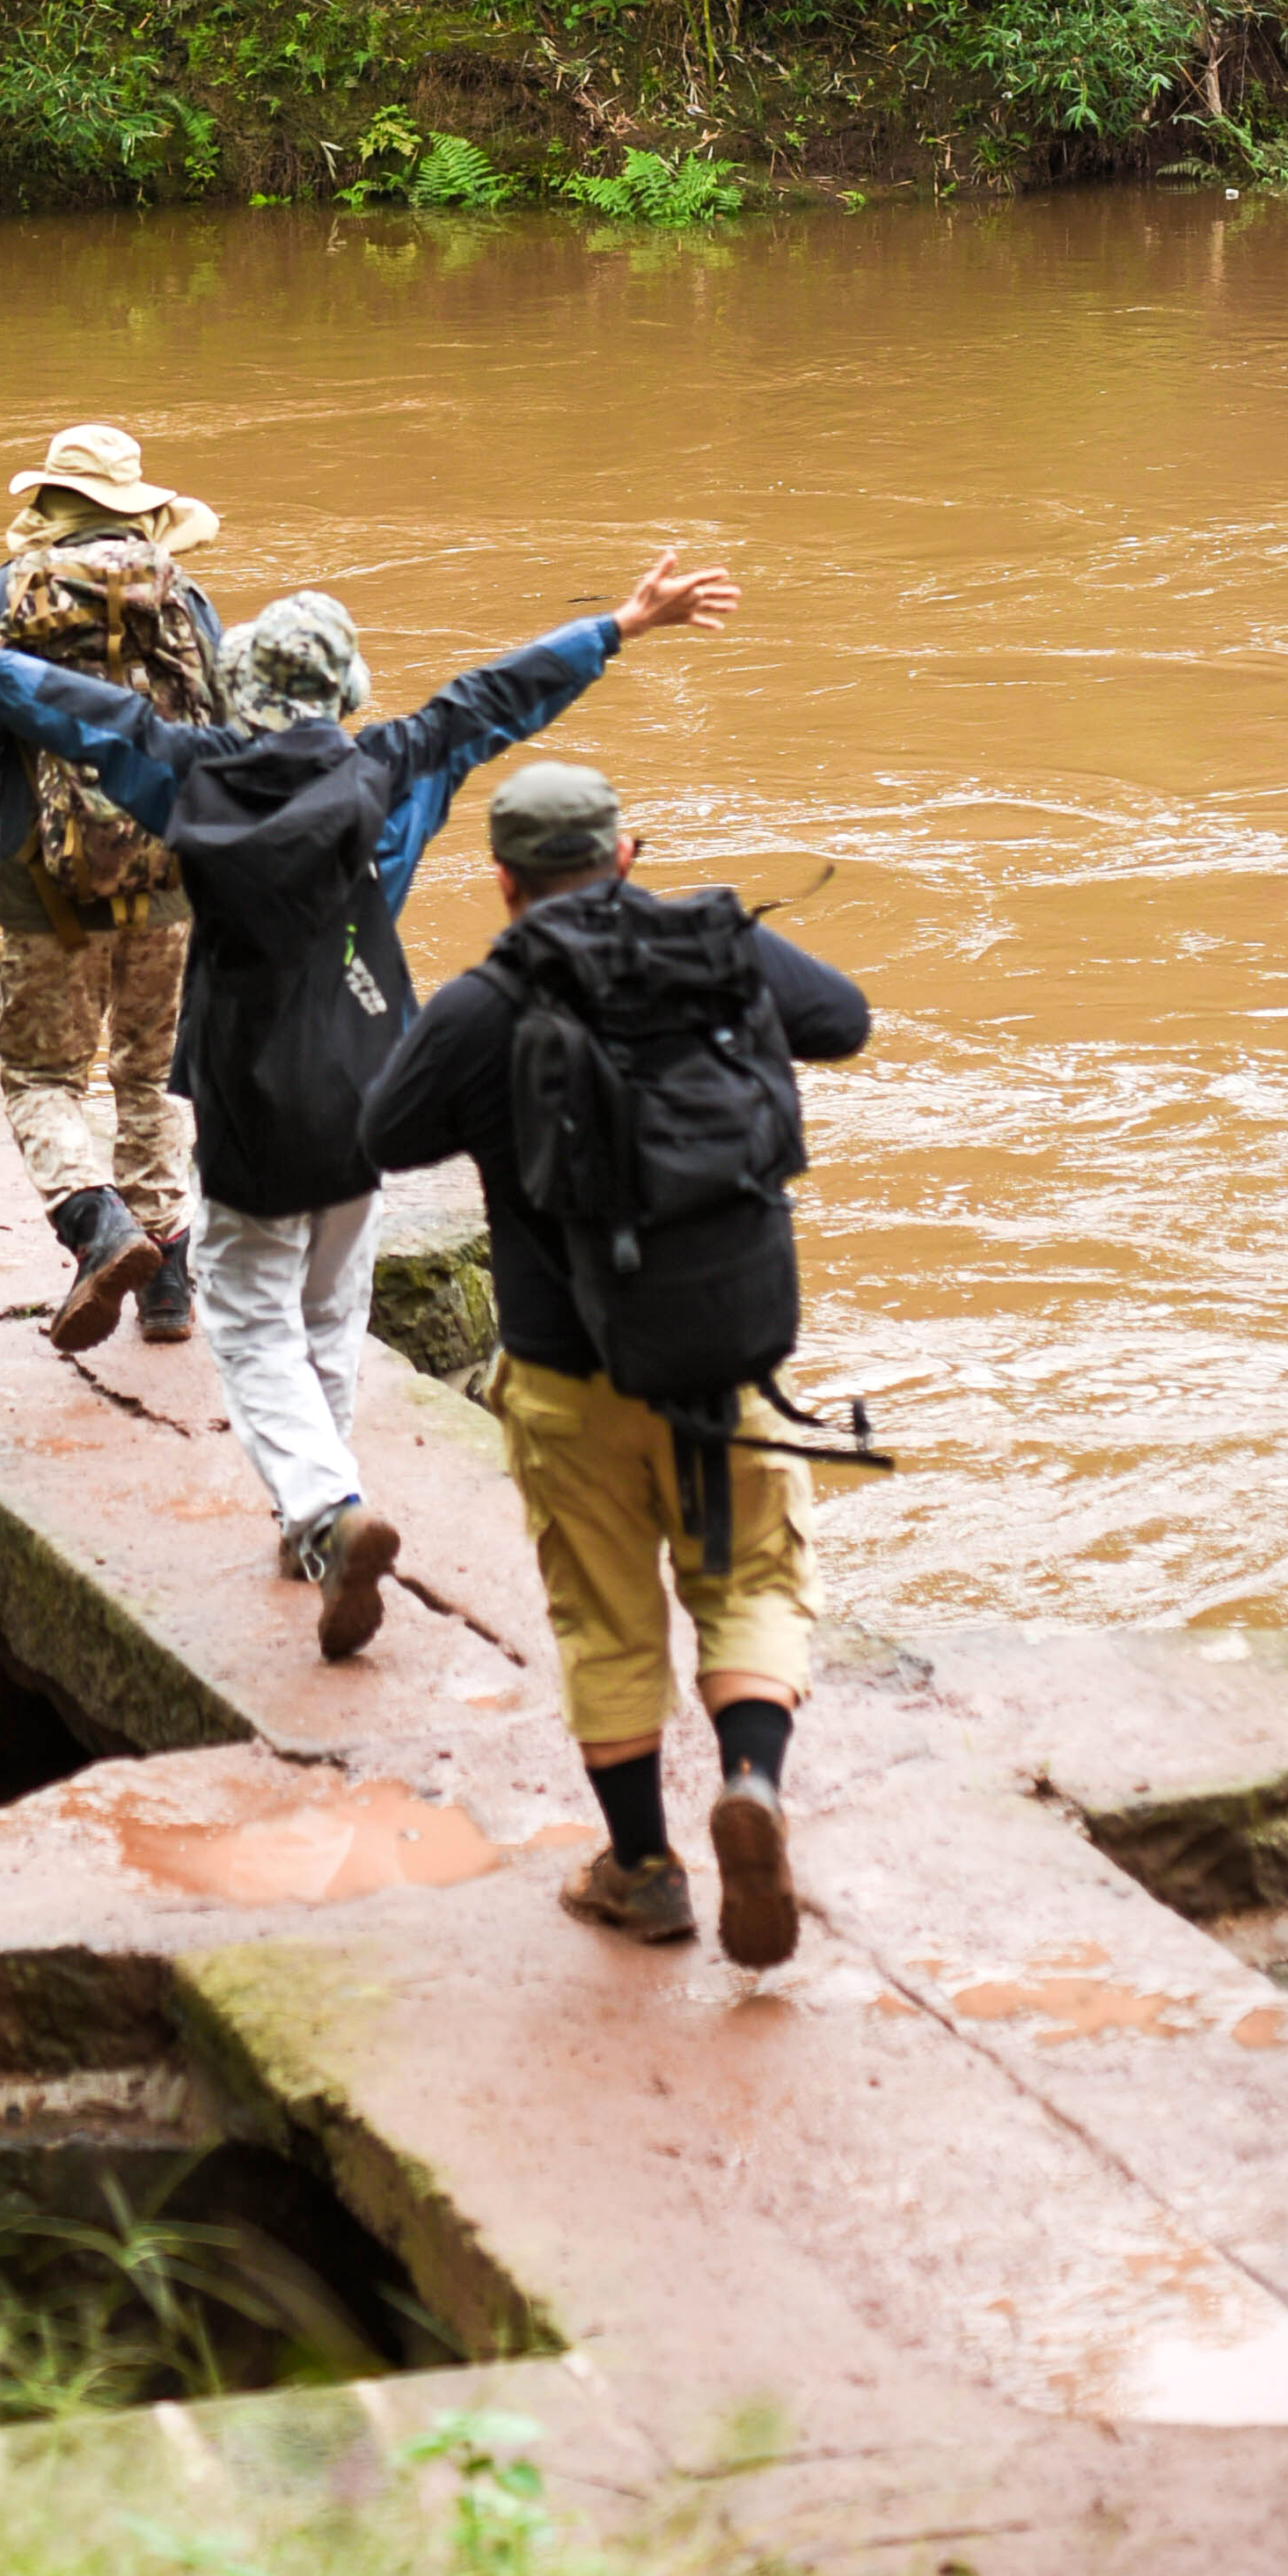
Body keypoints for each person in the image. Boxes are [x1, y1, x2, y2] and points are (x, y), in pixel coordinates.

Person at [0, 546, 739, 1655]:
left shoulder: (191, 776)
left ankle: (324, 1508)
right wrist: (621, 622)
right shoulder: (395, 766)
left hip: (249, 1100)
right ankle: (315, 1519)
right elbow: (492, 699)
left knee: (247, 1318)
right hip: (376, 1090)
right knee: (333, 1308)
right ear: (345, 694)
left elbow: (94, 721)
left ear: (240, 693)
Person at [356, 753, 869, 1971]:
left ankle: (641, 1871)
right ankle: (751, 1781)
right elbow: (844, 1021)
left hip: (565, 1370)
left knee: (607, 1620)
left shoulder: (486, 1004)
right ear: (626, 854)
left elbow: (383, 1132)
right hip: (727, 1352)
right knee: (750, 1583)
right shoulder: (717, 942)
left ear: (502, 882)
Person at [0, 419, 223, 1357]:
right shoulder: (181, 595)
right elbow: (225, 726)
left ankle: (98, 1228)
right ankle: (170, 1287)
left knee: (40, 1075)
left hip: (49, 886)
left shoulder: (4, 597)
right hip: (172, 879)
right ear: (136, 508)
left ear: (48, 505)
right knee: (149, 1077)